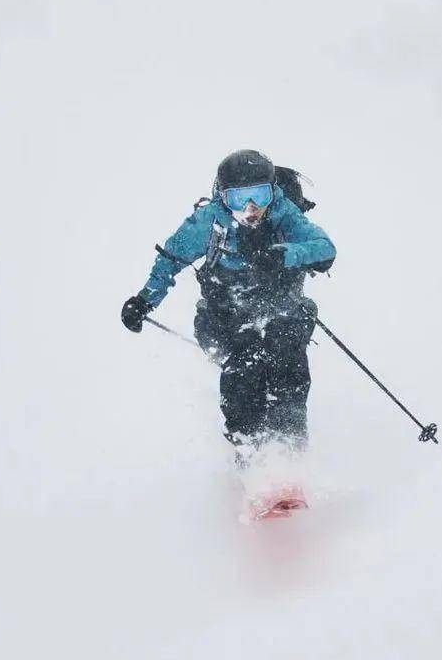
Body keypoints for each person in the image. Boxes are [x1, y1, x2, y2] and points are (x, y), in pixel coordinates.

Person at [121, 149, 336, 461]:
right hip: (223, 320)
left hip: (283, 312)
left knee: (286, 358)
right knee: (245, 367)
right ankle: (251, 453)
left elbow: (324, 248)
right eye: (238, 199)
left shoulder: (283, 212)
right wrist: (144, 301)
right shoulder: (208, 222)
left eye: (259, 196)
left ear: (272, 191)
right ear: (222, 197)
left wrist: (283, 255)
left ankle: (289, 454)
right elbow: (170, 260)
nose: (250, 208)